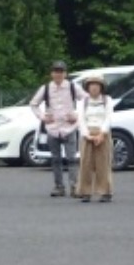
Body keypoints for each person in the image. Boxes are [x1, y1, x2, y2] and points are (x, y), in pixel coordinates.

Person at [27, 61, 81, 197]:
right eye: (56, 71)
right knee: (55, 159)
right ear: (51, 74)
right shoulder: (45, 88)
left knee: (72, 158)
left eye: (61, 71)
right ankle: (59, 186)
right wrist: (42, 117)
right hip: (53, 128)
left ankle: (75, 186)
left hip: (70, 127)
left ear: (65, 73)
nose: (58, 74)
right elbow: (33, 104)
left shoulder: (72, 87)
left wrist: (77, 115)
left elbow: (86, 100)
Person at [76, 73, 113, 203]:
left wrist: (101, 134)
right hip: (87, 134)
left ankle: (105, 191)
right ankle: (85, 192)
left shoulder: (107, 100)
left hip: (103, 133)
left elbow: (108, 118)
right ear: (87, 87)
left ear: (101, 87)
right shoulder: (82, 102)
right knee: (85, 164)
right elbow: (81, 120)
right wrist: (88, 135)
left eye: (97, 85)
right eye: (91, 85)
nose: (94, 88)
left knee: (103, 163)